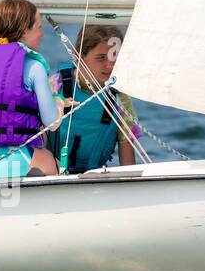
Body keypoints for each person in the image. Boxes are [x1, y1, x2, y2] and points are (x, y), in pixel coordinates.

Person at [0, 0, 60, 179]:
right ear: (25, 30)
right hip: (18, 162)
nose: (42, 34)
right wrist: (59, 102)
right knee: (52, 161)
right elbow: (52, 123)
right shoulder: (34, 67)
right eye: (38, 27)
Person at [50, 25, 141, 173]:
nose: (110, 65)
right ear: (78, 56)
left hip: (94, 178)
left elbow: (128, 164)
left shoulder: (119, 98)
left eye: (114, 57)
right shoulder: (55, 86)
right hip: (53, 174)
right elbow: (37, 141)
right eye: (101, 58)